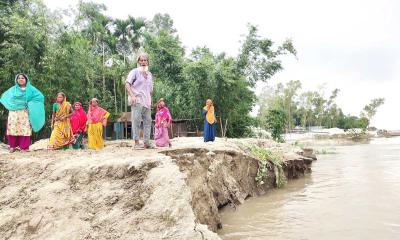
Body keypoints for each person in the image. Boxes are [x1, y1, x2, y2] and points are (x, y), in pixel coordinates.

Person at [0, 73, 45, 152]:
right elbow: (4, 97)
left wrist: (30, 104)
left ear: (26, 80)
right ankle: (12, 146)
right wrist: (11, 105)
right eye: (19, 78)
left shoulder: (31, 89)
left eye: (22, 78)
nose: (20, 79)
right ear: (16, 80)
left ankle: (24, 147)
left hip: (25, 112)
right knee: (13, 128)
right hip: (13, 112)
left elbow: (40, 97)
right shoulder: (13, 89)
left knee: (24, 128)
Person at [125, 53, 154, 149]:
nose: (143, 62)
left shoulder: (149, 75)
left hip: (147, 102)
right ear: (138, 62)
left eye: (145, 60)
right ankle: (136, 143)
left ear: (148, 62)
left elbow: (150, 90)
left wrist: (151, 101)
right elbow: (127, 84)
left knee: (148, 122)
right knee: (136, 121)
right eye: (141, 60)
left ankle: (146, 143)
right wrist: (132, 96)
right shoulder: (134, 72)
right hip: (137, 101)